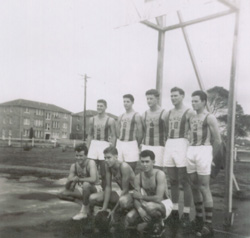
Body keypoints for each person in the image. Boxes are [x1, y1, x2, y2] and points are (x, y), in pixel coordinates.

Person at [187, 90, 221, 237]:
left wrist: (211, 157)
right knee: (193, 185)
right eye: (192, 101)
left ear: (204, 102)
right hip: (191, 150)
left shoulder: (210, 117)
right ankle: (199, 218)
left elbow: (218, 140)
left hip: (204, 150)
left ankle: (208, 224)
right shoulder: (191, 116)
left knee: (203, 186)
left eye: (196, 101)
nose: (193, 103)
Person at [163, 87, 194, 228]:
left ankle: (186, 213)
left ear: (182, 96)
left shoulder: (189, 112)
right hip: (170, 143)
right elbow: (165, 129)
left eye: (175, 95)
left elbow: (194, 131)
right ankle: (174, 211)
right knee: (173, 180)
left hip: (182, 143)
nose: (173, 98)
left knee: (184, 181)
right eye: (171, 96)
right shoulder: (168, 113)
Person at [125, 150, 173, 237]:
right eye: (142, 162)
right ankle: (150, 223)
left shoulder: (159, 174)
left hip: (164, 204)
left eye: (147, 161)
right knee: (129, 217)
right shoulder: (138, 177)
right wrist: (140, 210)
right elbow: (136, 197)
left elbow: (158, 198)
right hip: (147, 204)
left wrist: (141, 197)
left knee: (149, 206)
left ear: (153, 162)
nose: (144, 164)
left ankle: (159, 223)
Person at [89, 146, 135, 232]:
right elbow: (108, 187)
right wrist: (104, 208)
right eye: (105, 158)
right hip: (123, 193)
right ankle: (117, 211)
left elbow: (125, 191)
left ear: (116, 157)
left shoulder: (124, 166)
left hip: (133, 194)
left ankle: (121, 212)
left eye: (109, 157)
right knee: (93, 198)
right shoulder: (108, 166)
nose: (106, 160)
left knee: (123, 201)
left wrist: (113, 211)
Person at [58, 143, 102, 220]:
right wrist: (70, 180)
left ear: (86, 155)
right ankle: (85, 205)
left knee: (86, 184)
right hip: (84, 189)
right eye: (77, 156)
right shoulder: (74, 166)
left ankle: (84, 212)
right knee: (61, 193)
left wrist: (78, 179)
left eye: (81, 156)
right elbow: (67, 187)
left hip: (96, 189)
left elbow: (93, 179)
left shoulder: (91, 163)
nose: (79, 158)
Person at [87, 99, 117, 189]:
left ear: (105, 107)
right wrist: (88, 148)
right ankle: (92, 190)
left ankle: (106, 191)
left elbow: (114, 135)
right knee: (91, 169)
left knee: (104, 171)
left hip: (104, 144)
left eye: (101, 106)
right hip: (94, 144)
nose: (99, 107)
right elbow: (90, 135)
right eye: (98, 106)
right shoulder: (92, 119)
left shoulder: (110, 120)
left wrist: (112, 149)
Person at [116, 94, 143, 171]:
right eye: (124, 101)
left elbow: (140, 132)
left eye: (128, 101)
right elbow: (118, 130)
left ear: (132, 102)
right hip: (120, 143)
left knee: (130, 168)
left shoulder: (136, 115)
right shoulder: (121, 116)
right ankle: (122, 183)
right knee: (119, 166)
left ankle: (130, 183)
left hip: (131, 143)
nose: (125, 103)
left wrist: (137, 144)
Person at [141, 89, 167, 169]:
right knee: (145, 169)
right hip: (146, 145)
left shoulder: (164, 113)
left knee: (157, 169)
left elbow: (167, 131)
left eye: (151, 98)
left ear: (157, 99)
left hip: (159, 146)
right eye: (147, 99)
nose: (149, 101)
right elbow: (144, 130)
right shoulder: (144, 114)